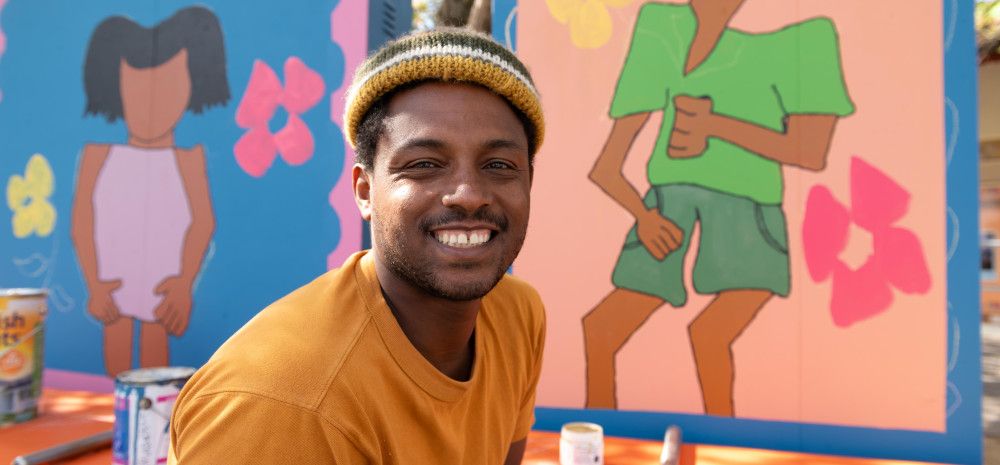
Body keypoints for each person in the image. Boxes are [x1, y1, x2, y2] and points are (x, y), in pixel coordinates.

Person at [168, 28, 546, 464]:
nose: (468, 193)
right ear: (365, 192)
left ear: (529, 185)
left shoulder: (519, 317)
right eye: (424, 164)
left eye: (499, 165)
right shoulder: (278, 405)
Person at [583, 0, 853, 415]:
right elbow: (606, 167)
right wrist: (645, 217)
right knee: (601, 330)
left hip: (748, 213)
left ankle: (724, 443)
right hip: (669, 205)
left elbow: (812, 151)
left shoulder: (806, 36)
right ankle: (595, 440)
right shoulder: (662, 27)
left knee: (710, 334)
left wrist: (715, 126)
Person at [71, 6, 228, 377]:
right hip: (112, 280)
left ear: (192, 87)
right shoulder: (98, 155)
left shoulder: (189, 160)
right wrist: (94, 284)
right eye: (134, 88)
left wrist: (183, 284)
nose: (150, 106)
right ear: (116, 87)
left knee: (156, 356)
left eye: (172, 87)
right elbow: (82, 221)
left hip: (163, 285)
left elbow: (203, 222)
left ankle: (152, 429)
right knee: (117, 346)